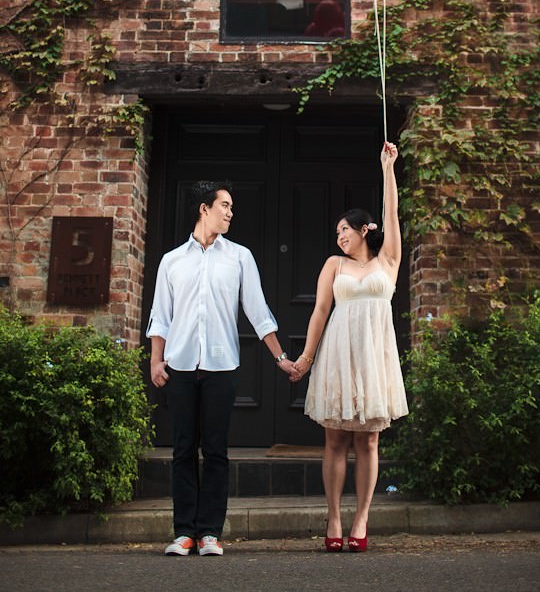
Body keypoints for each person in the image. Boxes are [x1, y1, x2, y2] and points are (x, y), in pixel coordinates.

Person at [147, 180, 298, 557]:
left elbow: (258, 311)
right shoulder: (172, 261)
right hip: (179, 366)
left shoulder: (240, 257)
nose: (230, 213)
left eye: (231, 207)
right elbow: (160, 316)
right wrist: (155, 359)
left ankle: (210, 532)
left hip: (222, 366)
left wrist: (281, 358)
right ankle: (183, 533)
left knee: (215, 450)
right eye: (225, 205)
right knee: (183, 449)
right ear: (204, 208)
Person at [291, 142, 408, 553]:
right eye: (335, 232)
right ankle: (335, 517)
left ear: (364, 230)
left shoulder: (387, 262)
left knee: (369, 441)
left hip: (374, 357)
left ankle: (361, 518)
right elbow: (320, 312)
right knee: (335, 440)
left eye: (344, 229)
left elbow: (391, 213)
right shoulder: (332, 265)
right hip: (340, 356)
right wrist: (306, 358)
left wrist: (387, 167)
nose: (338, 236)